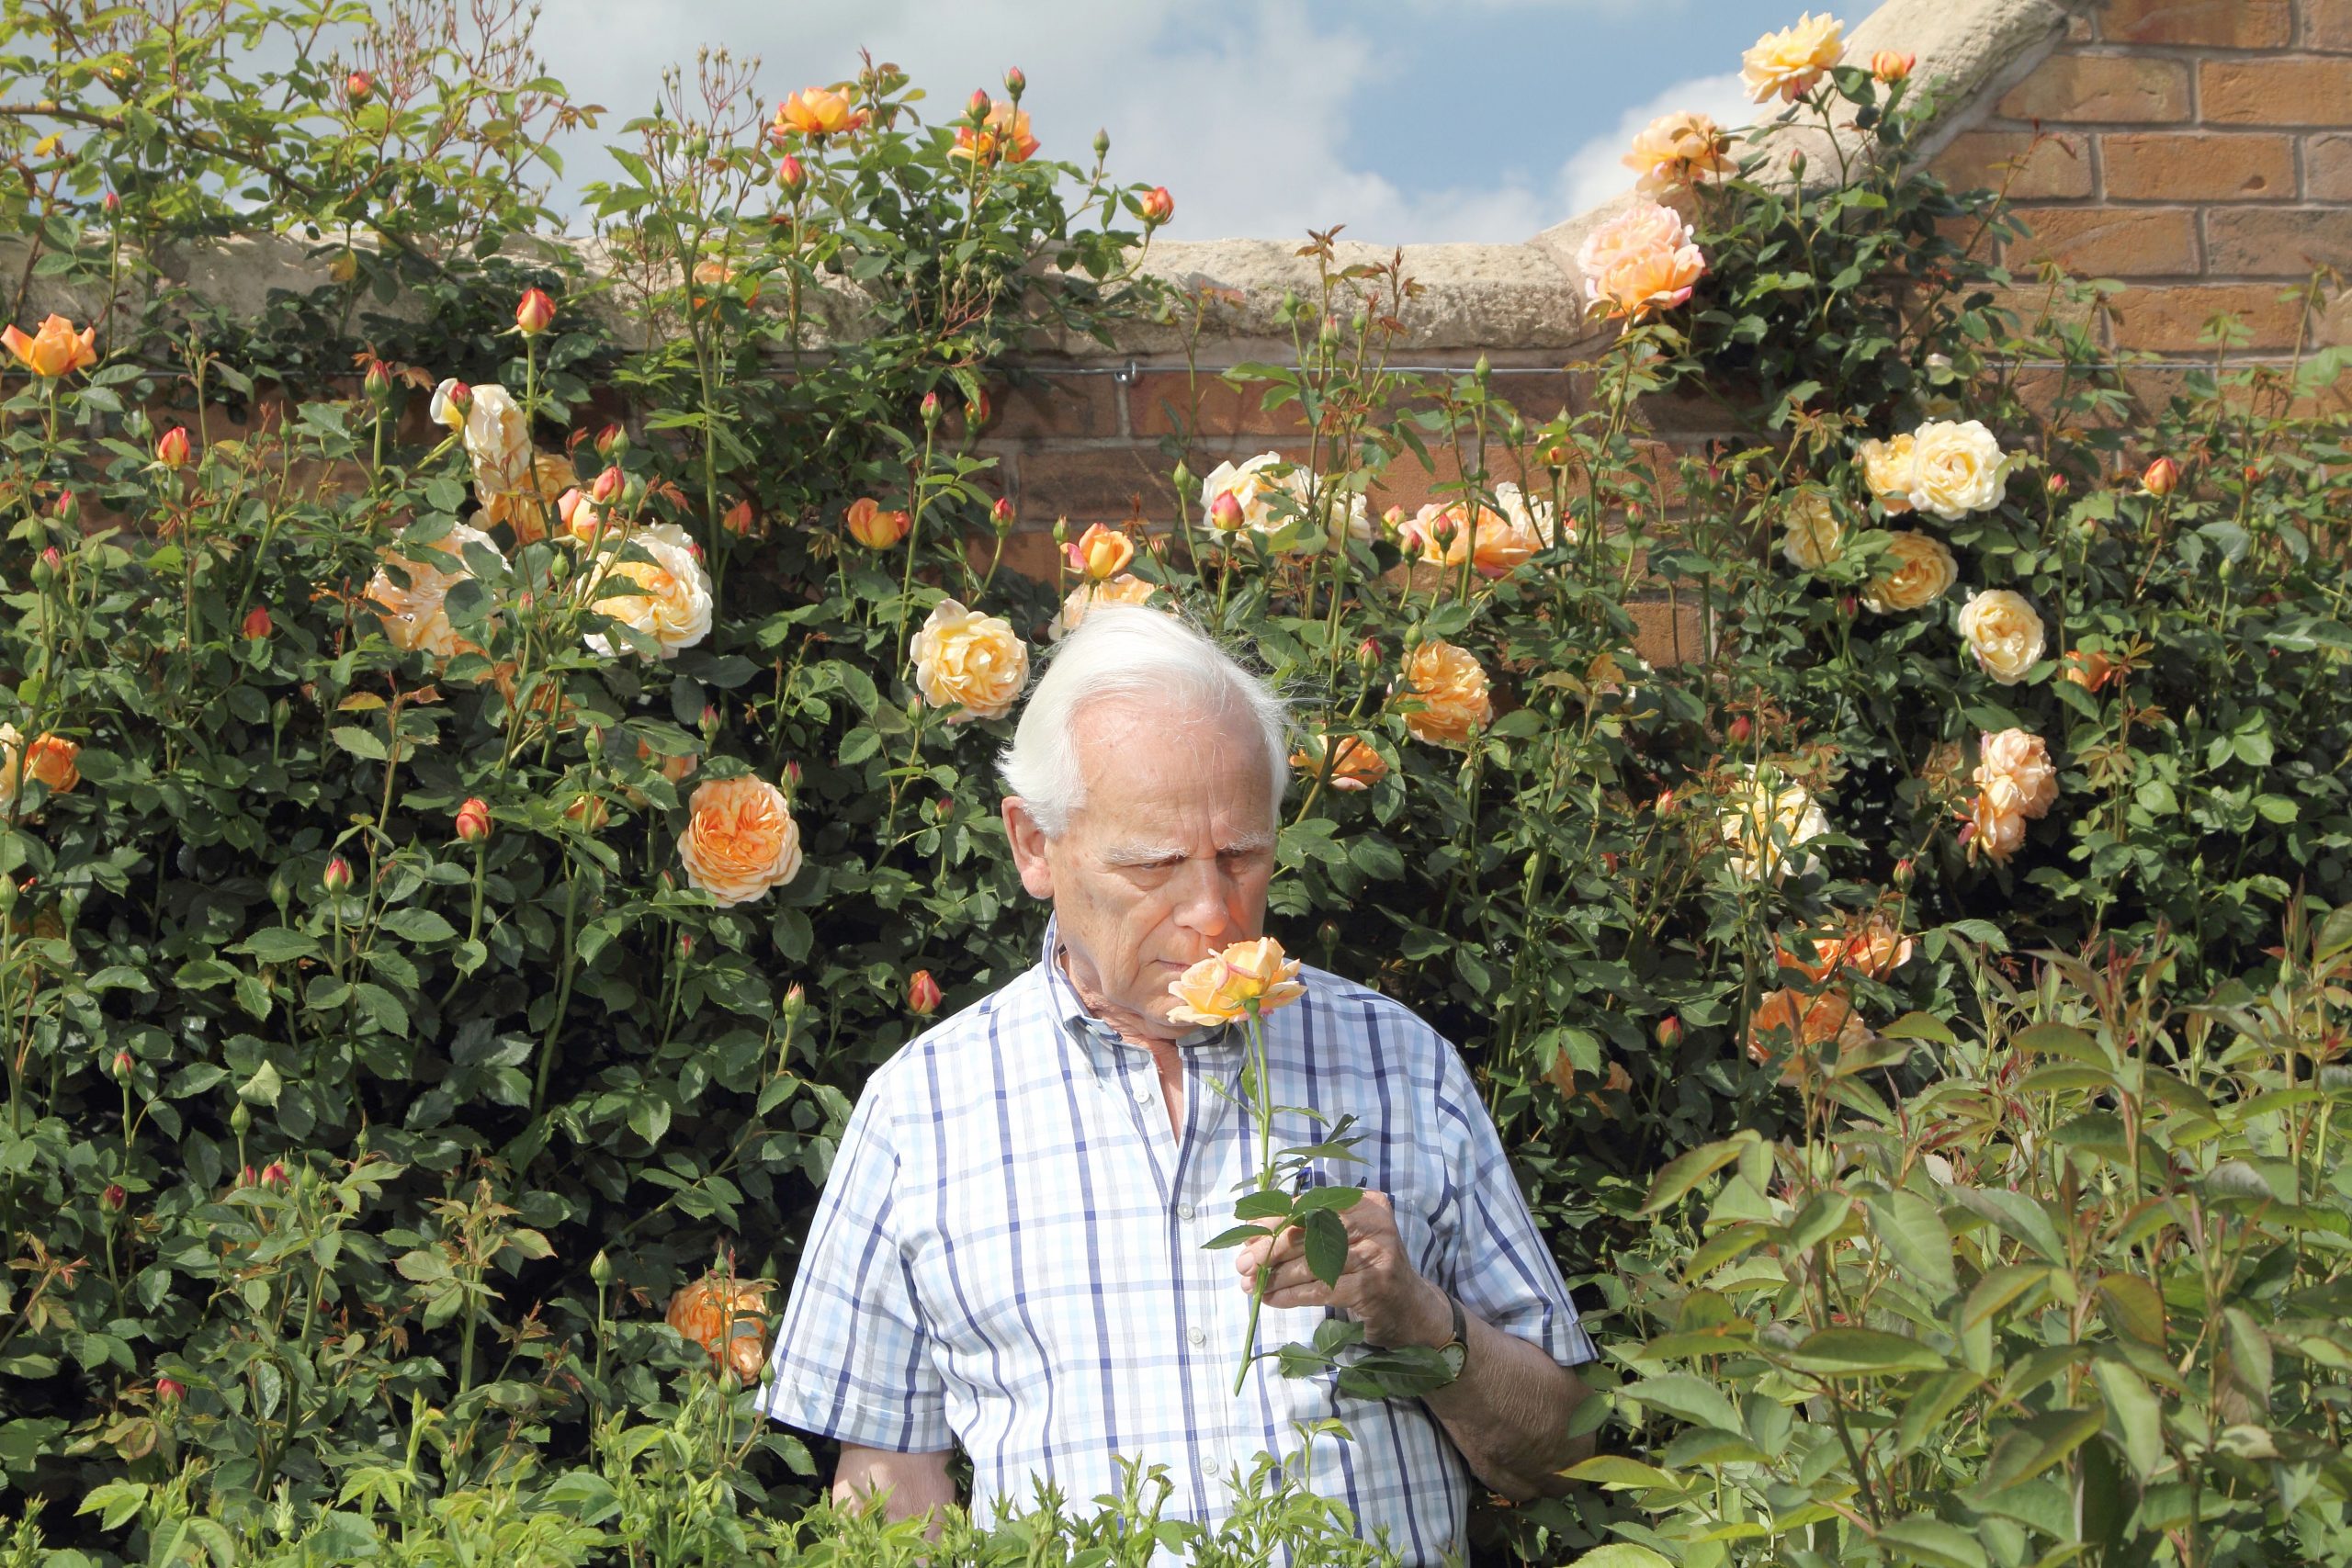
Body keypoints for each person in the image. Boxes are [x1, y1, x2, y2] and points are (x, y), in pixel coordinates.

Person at [762, 605, 1597, 1562]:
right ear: (1034, 845)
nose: (1213, 912)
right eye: (1155, 864)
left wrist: (1414, 1316)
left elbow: (1564, 1456)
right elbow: (889, 1489)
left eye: (1240, 856)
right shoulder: (923, 1111)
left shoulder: (1396, 1062)